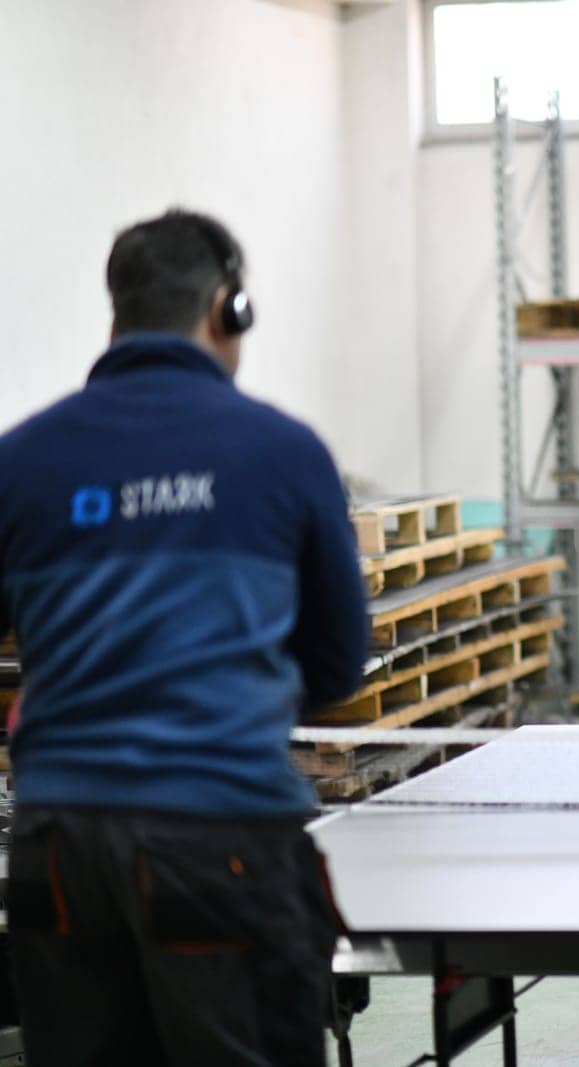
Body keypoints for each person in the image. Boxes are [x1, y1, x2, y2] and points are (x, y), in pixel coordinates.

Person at [0, 209, 369, 1065]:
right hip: (219, 841)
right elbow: (337, 663)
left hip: (58, 851)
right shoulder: (283, 453)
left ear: (115, 318)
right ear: (226, 309)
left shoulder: (20, 461)